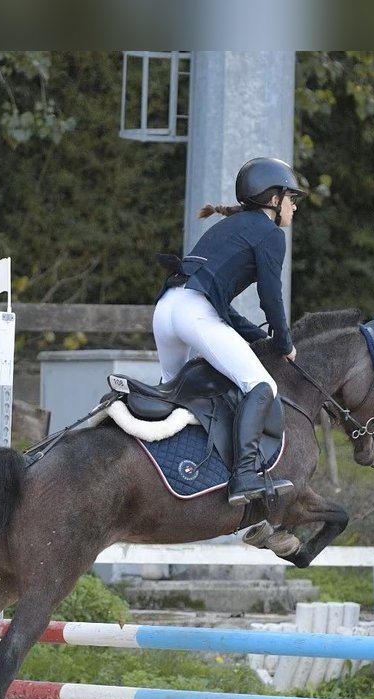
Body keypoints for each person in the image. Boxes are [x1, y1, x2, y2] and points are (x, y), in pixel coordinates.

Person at [152, 156, 303, 506]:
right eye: (291, 198)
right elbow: (271, 298)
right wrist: (284, 343)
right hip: (194, 314)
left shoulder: (229, 226)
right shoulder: (270, 234)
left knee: (171, 392)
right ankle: (245, 476)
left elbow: (221, 305)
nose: (294, 207)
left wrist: (259, 338)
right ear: (274, 199)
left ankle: (166, 467)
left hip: (167, 307)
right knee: (262, 385)